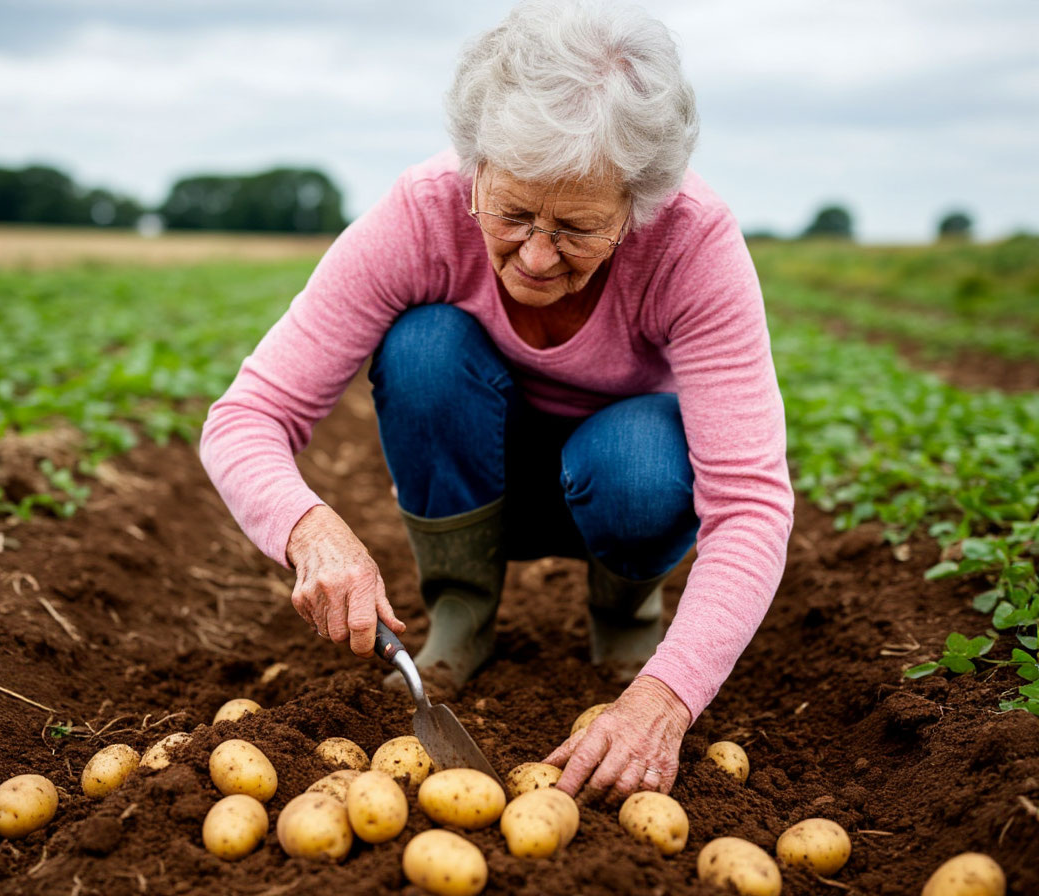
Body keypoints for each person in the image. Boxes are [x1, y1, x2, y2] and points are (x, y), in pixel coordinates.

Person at [200, 0, 793, 801]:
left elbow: (752, 503)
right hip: (473, 478)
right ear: (474, 165)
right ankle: (461, 616)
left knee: (643, 458)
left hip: (615, 486)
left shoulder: (693, 243)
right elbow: (245, 416)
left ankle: (628, 624)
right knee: (425, 349)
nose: (538, 256)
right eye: (512, 214)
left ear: (638, 204)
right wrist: (309, 528)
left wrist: (670, 697)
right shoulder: (422, 213)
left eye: (578, 228)